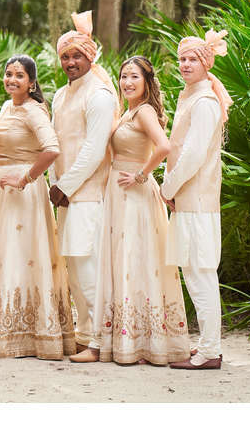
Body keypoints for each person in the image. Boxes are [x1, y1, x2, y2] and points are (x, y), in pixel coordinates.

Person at [85, 56, 189, 366]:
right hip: (118, 194)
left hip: (136, 194)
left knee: (137, 261)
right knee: (123, 262)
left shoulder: (143, 112)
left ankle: (146, 342)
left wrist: (142, 175)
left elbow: (164, 146)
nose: (127, 82)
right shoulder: (127, 111)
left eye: (134, 76)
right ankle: (126, 339)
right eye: (123, 76)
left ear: (146, 81)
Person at [0, 56, 75, 360]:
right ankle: (12, 330)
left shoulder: (34, 111)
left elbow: (52, 149)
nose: (12, 80)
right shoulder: (9, 106)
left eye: (19, 76)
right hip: (4, 190)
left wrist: (24, 178)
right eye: (8, 74)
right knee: (7, 255)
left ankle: (37, 335)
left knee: (24, 254)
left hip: (23, 191)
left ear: (31, 83)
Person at [48, 10, 119, 361]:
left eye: (77, 56)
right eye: (65, 56)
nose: (71, 62)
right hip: (65, 194)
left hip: (89, 194)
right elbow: (54, 142)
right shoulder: (62, 95)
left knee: (88, 266)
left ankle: (100, 341)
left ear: (90, 57)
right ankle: (85, 332)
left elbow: (94, 149)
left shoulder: (101, 94)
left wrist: (65, 186)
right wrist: (53, 183)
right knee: (73, 266)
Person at [164, 31, 233, 370]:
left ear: (206, 63)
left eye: (193, 59)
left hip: (198, 201)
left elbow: (191, 155)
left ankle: (210, 351)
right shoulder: (192, 97)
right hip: (190, 200)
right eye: (182, 59)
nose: (186, 64)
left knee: (201, 272)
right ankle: (207, 345)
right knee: (193, 271)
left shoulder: (204, 102)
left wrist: (167, 188)